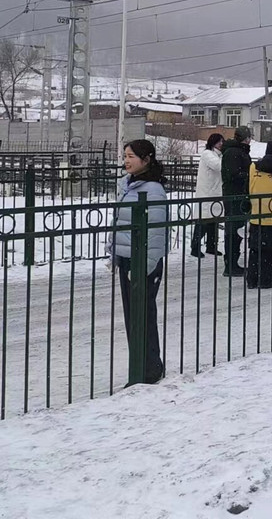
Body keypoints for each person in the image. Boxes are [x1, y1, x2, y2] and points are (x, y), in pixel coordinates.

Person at [110, 139, 169, 385]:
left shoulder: (152, 190)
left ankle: (147, 370)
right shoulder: (130, 186)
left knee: (142, 317)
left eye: (131, 156)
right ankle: (145, 367)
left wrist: (142, 268)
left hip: (141, 263)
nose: (126, 160)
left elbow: (155, 235)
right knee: (134, 318)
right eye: (125, 155)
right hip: (127, 259)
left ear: (146, 160)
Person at [247, 141, 272, 289]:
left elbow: (248, 188)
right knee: (269, 250)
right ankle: (266, 280)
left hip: (256, 215)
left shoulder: (253, 167)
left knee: (255, 248)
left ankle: (252, 279)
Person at [219, 126, 252, 276]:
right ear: (245, 138)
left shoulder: (237, 151)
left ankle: (232, 263)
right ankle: (231, 265)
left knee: (237, 229)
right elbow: (233, 174)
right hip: (235, 195)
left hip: (237, 195)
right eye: (249, 137)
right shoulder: (234, 152)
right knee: (233, 230)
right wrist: (249, 175)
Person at [191, 133, 224, 259]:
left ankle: (211, 246)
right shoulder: (207, 154)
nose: (221, 144)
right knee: (203, 221)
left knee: (213, 221)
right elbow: (218, 166)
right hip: (207, 193)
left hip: (214, 192)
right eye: (219, 141)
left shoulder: (218, 155)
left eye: (222, 141)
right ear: (213, 142)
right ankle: (195, 247)